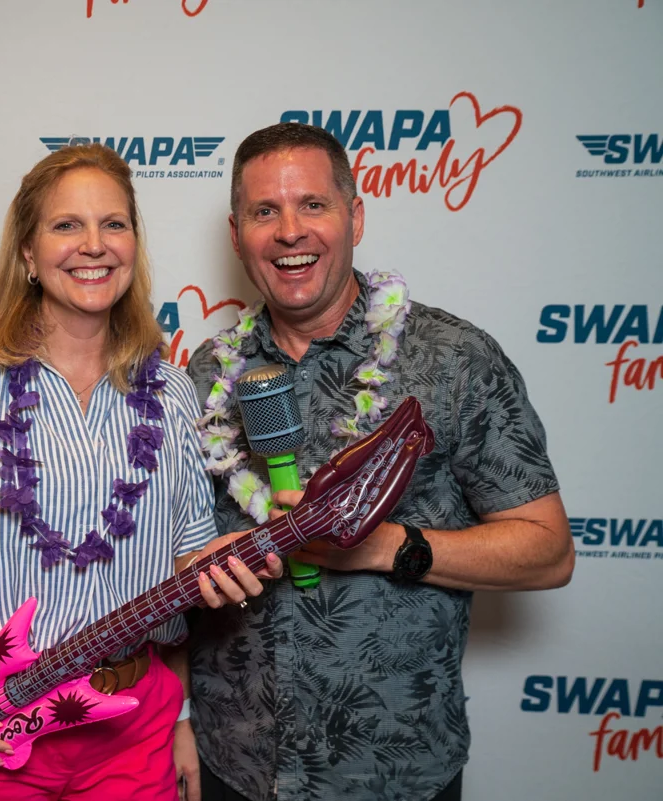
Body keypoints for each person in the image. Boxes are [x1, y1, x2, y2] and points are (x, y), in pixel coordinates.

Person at [0, 143, 283, 801]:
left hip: (130, 726)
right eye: (67, 225)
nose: (94, 244)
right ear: (28, 253)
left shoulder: (173, 392)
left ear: (133, 245)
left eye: (113, 224)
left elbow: (180, 570)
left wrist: (180, 711)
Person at [185, 122, 574, 801]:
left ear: (355, 216)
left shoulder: (452, 359)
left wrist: (384, 547)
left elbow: (548, 552)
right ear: (237, 234)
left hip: (397, 770)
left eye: (313, 204)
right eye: (264, 211)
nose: (290, 231)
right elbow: (176, 550)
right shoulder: (205, 375)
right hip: (237, 766)